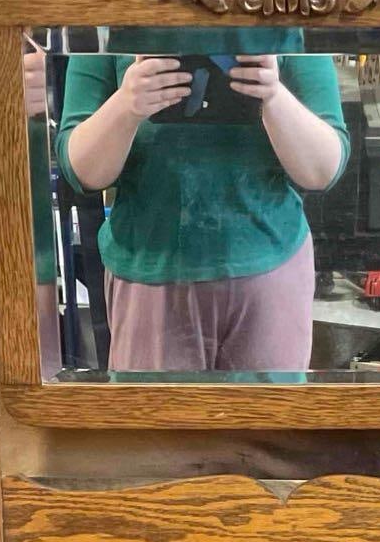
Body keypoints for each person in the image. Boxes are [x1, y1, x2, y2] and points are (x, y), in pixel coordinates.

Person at [56, 28, 348, 374]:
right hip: (152, 269)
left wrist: (273, 96)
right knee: (158, 423)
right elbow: (82, 171)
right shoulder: (112, 17)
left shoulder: (286, 12)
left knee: (267, 425)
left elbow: (324, 170)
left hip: (268, 268)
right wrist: (126, 106)